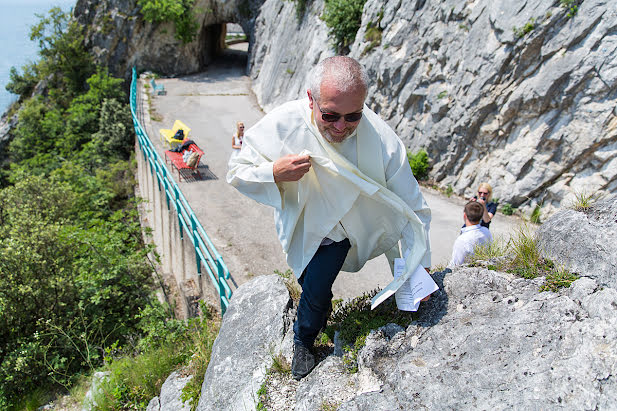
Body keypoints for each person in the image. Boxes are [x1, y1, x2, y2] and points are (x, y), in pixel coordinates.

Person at [227, 56, 431, 380]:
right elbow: (236, 171)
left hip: (339, 233)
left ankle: (303, 342)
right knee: (309, 283)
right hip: (300, 226)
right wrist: (275, 172)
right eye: (330, 115)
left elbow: (413, 206)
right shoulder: (284, 123)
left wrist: (419, 265)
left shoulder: (380, 137)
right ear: (310, 99)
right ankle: (319, 311)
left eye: (353, 116)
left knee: (316, 290)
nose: (341, 127)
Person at [449, 201, 493, 267]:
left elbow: (455, 264)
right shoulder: (486, 231)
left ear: (465, 215)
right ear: (481, 217)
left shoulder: (462, 240)